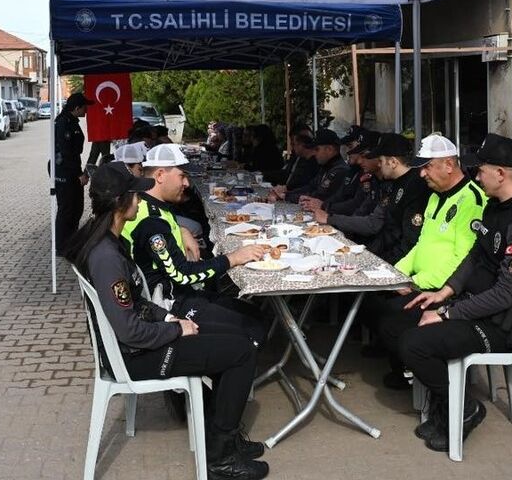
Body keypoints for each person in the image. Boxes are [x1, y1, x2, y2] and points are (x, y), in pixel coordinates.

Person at [65, 162, 270, 480]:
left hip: (139, 341)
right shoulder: (106, 256)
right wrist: (174, 329)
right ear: (123, 202)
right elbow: (128, 328)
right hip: (134, 356)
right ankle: (220, 458)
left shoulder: (107, 238)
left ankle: (219, 434)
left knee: (232, 338)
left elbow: (137, 301)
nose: (140, 199)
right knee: (241, 352)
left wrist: (168, 316)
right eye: (136, 194)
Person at [395, 134, 512, 452]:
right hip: (472, 306)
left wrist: (447, 312)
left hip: (500, 326)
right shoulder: (497, 207)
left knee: (415, 344)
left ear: (501, 174)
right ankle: (446, 408)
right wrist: (445, 292)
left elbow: (505, 296)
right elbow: (475, 257)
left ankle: (466, 410)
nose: (476, 176)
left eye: (481, 170)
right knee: (403, 318)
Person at [370, 133, 486, 389]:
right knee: (377, 301)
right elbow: (421, 245)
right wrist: (396, 273)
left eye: (427, 167)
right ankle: (408, 373)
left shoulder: (472, 200)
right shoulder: (435, 197)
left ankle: (430, 382)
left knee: (391, 319)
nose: (422, 174)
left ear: (448, 165)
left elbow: (464, 259)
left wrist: (414, 283)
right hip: (422, 283)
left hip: (447, 290)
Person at [123, 144, 269, 345]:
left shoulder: (149, 204)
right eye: (182, 176)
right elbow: (181, 274)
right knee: (252, 328)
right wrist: (233, 258)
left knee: (254, 313)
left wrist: (182, 232)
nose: (187, 183)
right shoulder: (151, 219)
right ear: (159, 175)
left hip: (175, 293)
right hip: (166, 304)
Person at [361, 133, 430, 263]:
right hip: (386, 255)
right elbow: (388, 230)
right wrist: (369, 254)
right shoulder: (395, 182)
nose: (379, 165)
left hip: (400, 264)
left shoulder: (416, 185)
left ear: (393, 162)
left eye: (381, 161)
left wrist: (382, 262)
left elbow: (410, 241)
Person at [54, 92, 93, 256]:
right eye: (84, 107)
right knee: (67, 209)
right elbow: (66, 153)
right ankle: (62, 247)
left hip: (72, 169)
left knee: (77, 208)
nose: (86, 110)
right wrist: (78, 175)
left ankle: (72, 241)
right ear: (77, 107)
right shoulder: (63, 123)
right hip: (66, 172)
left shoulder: (72, 121)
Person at [271, 129, 349, 204]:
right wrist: (286, 193)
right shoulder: (326, 167)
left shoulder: (340, 170)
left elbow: (319, 196)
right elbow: (310, 187)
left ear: (329, 149)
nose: (314, 153)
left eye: (317, 149)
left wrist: (286, 196)